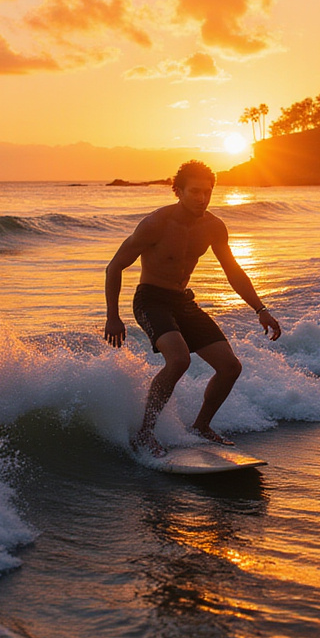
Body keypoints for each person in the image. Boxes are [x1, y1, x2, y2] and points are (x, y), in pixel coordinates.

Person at [104, 159, 281, 456]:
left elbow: (233, 271)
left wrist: (260, 309)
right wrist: (113, 316)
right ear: (178, 191)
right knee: (179, 360)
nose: (202, 199)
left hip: (183, 301)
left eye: (207, 193)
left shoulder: (213, 227)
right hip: (150, 299)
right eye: (195, 192)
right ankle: (144, 434)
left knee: (230, 367)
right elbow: (114, 267)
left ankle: (201, 426)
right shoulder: (155, 224)